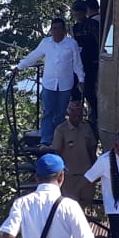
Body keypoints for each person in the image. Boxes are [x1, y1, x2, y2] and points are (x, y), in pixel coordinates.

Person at [13, 17, 85, 145]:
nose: (57, 32)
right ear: (51, 30)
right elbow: (34, 56)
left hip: (65, 84)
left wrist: (81, 78)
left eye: (60, 29)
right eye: (54, 29)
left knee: (60, 114)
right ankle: (46, 140)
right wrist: (20, 67)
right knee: (48, 112)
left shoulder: (71, 44)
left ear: (64, 30)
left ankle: (58, 141)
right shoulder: (46, 43)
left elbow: (77, 64)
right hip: (49, 83)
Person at [51, 100, 97, 206]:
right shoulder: (61, 130)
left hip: (86, 175)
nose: (78, 115)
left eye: (80, 112)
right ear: (69, 113)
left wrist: (95, 170)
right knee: (69, 207)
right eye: (75, 112)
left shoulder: (86, 127)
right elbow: (56, 153)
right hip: (69, 177)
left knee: (85, 204)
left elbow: (92, 149)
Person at [70, 0, 100, 130]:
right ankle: (75, 113)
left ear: (85, 12)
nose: (78, 15)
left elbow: (99, 42)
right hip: (78, 62)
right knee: (74, 87)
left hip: (91, 61)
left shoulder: (93, 25)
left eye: (80, 12)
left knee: (89, 90)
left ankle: (95, 114)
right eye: (75, 13)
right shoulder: (73, 28)